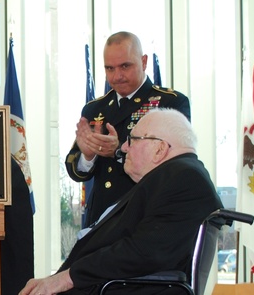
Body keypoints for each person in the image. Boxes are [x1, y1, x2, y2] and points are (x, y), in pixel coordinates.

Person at [19, 109, 222, 295]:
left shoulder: (183, 178)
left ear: (160, 149)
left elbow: (143, 253)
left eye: (133, 139)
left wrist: (67, 278)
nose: (123, 147)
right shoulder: (173, 176)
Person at [66, 31, 191, 228]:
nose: (117, 76)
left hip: (145, 217)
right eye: (109, 68)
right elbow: (76, 170)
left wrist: (117, 152)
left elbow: (175, 166)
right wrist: (88, 156)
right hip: (100, 220)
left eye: (125, 66)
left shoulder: (169, 103)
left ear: (143, 62)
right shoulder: (94, 109)